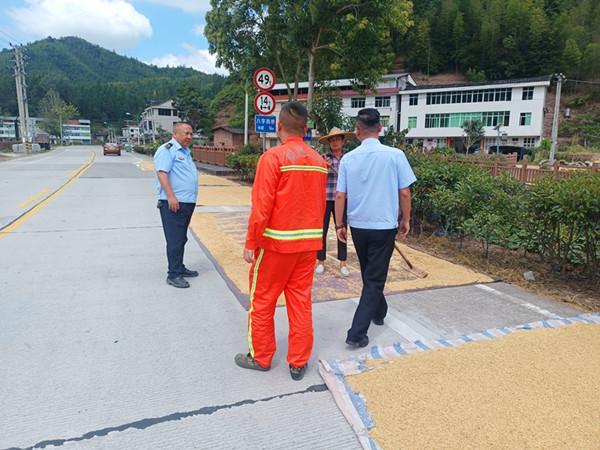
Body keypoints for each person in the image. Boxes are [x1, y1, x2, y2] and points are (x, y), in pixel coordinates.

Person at [235, 102, 327, 381]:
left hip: (276, 246)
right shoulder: (319, 162)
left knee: (262, 301)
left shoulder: (273, 158)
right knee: (300, 302)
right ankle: (298, 362)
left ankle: (261, 357)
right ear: (306, 129)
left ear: (279, 126)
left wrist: (251, 242)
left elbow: (262, 206)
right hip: (308, 246)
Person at [335, 108, 416, 348]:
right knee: (374, 277)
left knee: (370, 274)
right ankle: (357, 333)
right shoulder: (395, 155)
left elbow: (340, 195)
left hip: (359, 226)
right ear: (380, 129)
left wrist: (339, 224)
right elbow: (404, 192)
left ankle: (379, 312)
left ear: (357, 131)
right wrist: (406, 219)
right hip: (383, 226)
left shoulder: (348, 159)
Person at [154, 122, 199, 289]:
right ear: (175, 134)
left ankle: (179, 267)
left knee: (181, 238)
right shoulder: (167, 150)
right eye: (186, 133)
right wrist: (171, 197)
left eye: (191, 134)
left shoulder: (185, 152)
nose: (189, 137)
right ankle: (173, 274)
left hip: (186, 202)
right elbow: (162, 173)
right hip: (173, 203)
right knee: (174, 239)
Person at [315, 127, 353, 277]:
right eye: (332, 140)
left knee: (342, 230)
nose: (335, 142)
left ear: (343, 141)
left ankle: (343, 263)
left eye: (337, 139)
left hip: (342, 200)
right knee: (322, 230)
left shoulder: (349, 158)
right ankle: (320, 261)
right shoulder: (323, 158)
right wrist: (323, 167)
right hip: (325, 198)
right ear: (329, 142)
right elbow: (316, 178)